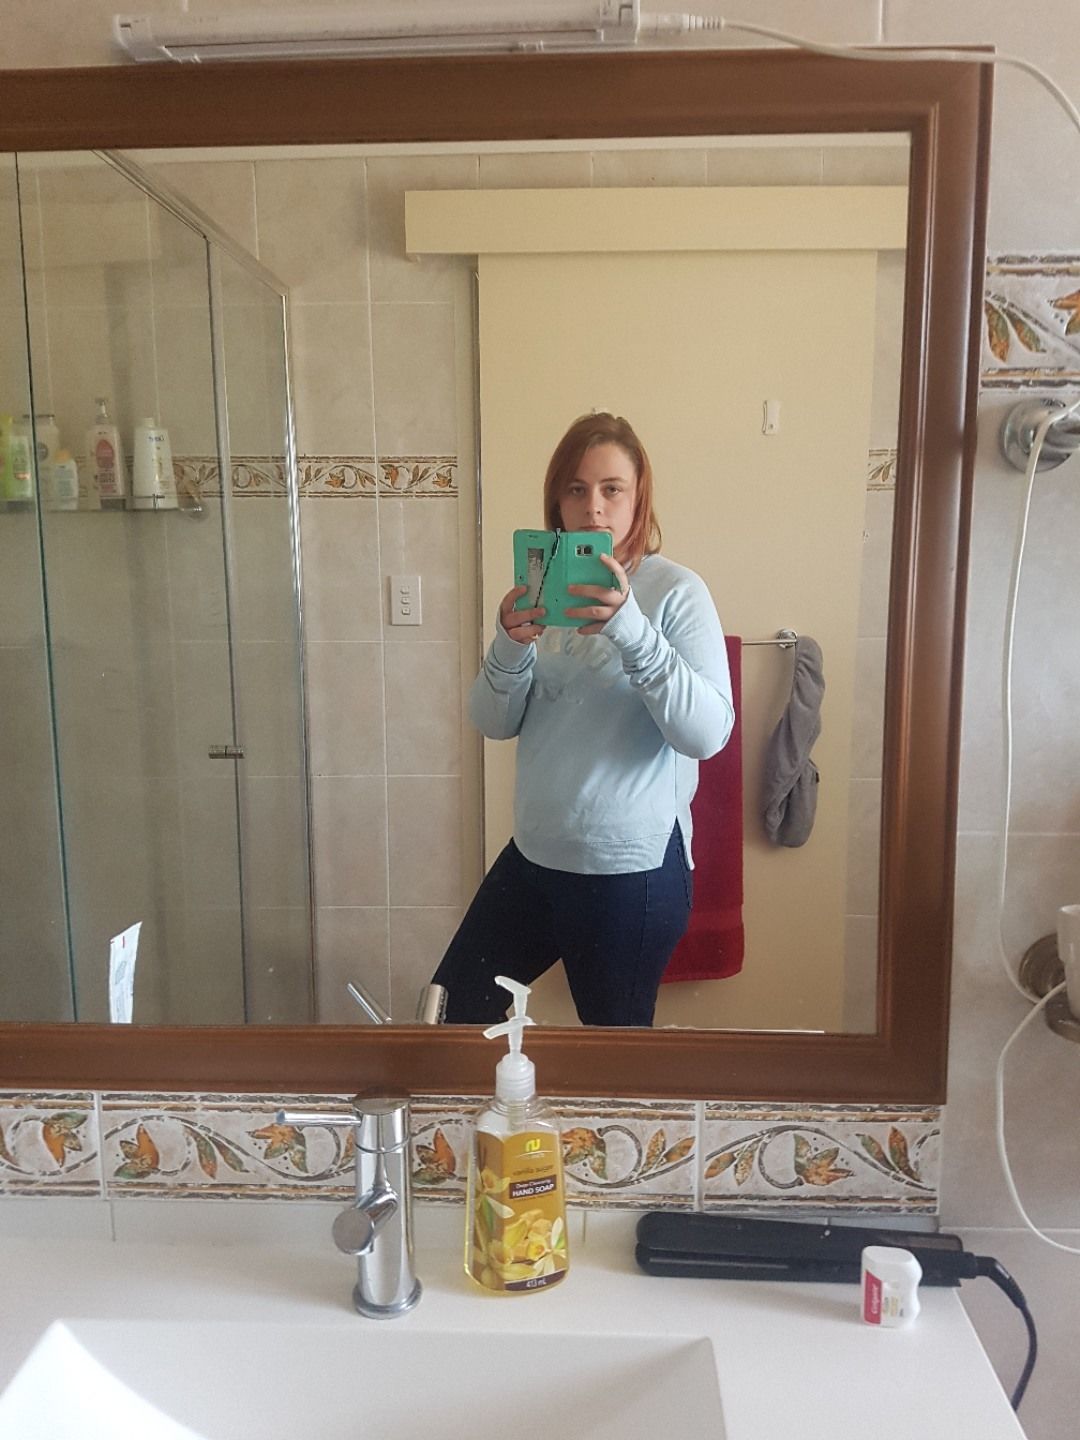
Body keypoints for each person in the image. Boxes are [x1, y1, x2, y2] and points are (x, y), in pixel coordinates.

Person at [432, 412, 734, 1027]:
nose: (593, 507)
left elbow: (706, 735)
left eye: (611, 488)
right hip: (535, 855)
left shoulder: (677, 592)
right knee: (454, 1014)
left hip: (629, 871)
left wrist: (630, 629)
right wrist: (509, 644)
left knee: (611, 1060)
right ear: (557, 501)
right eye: (576, 488)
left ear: (638, 496)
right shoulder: (541, 587)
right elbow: (492, 721)